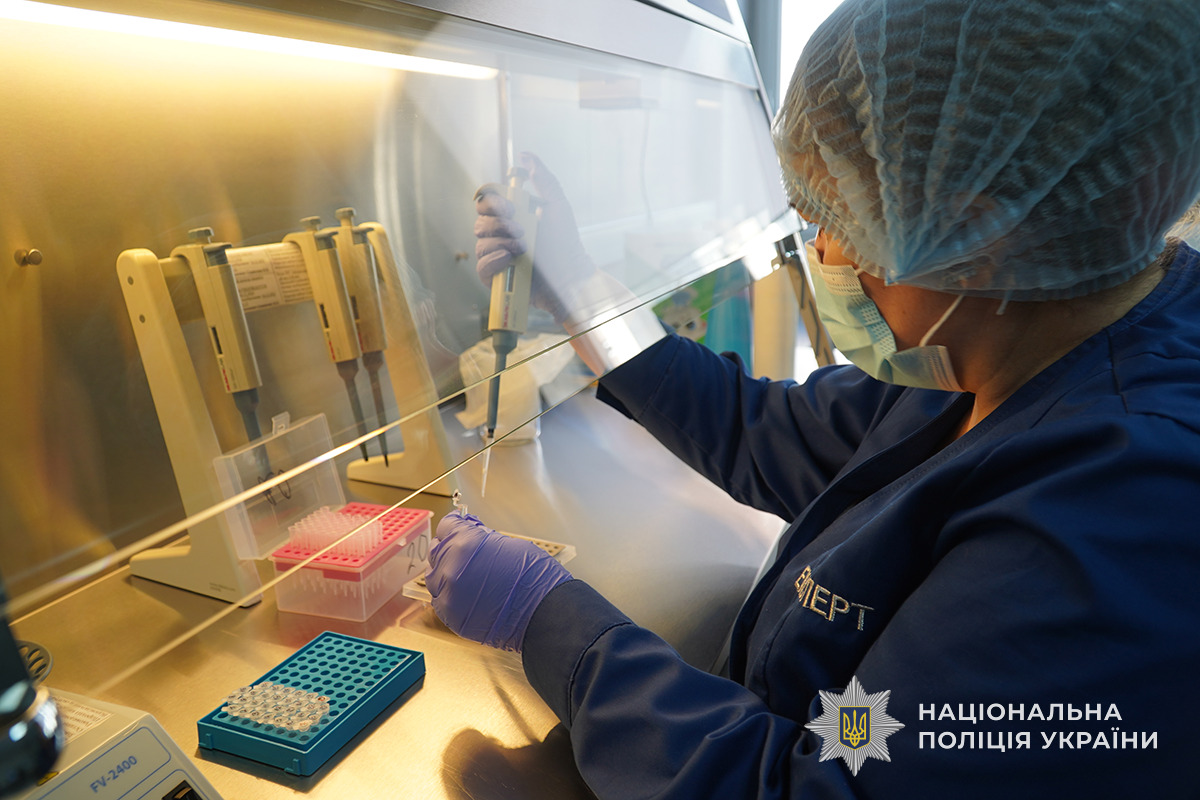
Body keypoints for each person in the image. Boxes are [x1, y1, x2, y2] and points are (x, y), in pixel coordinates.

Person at [426, 0, 1200, 796]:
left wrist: (558, 629)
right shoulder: (997, 346)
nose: (821, 248)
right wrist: (576, 286)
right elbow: (764, 432)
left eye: (838, 219)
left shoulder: (1124, 509)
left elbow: (820, 785)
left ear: (977, 235)